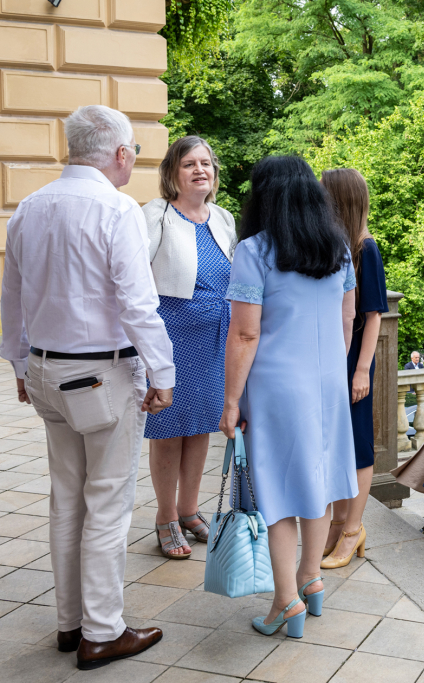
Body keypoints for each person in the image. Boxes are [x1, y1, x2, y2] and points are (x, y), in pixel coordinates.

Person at [0, 105, 171, 669]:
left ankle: (70, 623)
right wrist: (163, 371)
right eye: (136, 154)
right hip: (100, 375)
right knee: (108, 502)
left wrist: (20, 365)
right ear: (121, 154)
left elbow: (12, 298)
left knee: (67, 497)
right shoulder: (116, 209)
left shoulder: (28, 208)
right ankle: (103, 630)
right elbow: (137, 303)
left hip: (48, 371)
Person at [220, 156, 358, 637]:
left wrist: (231, 400)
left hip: (277, 384)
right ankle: (311, 580)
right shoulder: (337, 247)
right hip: (327, 383)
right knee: (315, 482)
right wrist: (330, 373)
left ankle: (286, 603)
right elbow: (348, 319)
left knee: (275, 492)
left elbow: (243, 335)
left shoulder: (254, 250)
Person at [142, 136, 237, 560]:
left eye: (206, 163)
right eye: (189, 164)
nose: (200, 170)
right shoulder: (156, 214)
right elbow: (134, 276)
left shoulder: (223, 217)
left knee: (201, 424)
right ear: (172, 173)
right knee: (168, 429)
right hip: (171, 334)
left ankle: (188, 509)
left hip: (216, 334)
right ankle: (165, 517)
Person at [318, 168, 388, 569]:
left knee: (358, 447)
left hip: (354, 360)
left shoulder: (366, 248)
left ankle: (352, 530)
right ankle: (336, 523)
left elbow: (374, 314)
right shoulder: (331, 245)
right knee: (333, 444)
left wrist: (361, 370)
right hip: (330, 357)